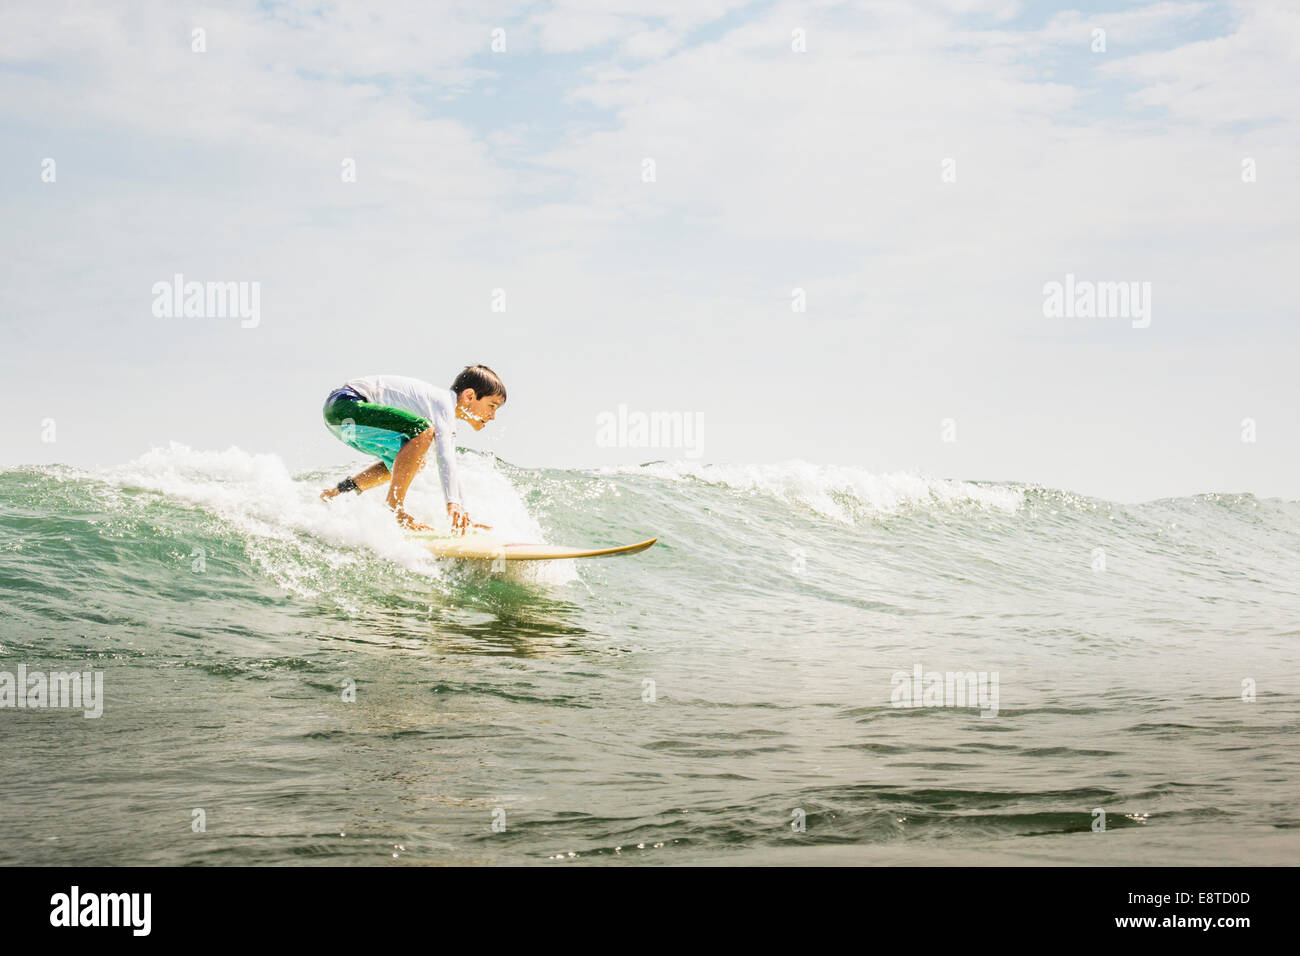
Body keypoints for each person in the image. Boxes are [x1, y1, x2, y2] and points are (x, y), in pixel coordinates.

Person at [319, 365, 506, 532]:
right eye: (491, 406)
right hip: (346, 407)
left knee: (412, 462)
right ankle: (395, 508)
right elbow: (445, 457)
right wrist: (452, 504)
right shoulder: (443, 405)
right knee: (423, 431)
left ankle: (338, 493)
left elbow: (452, 467)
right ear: (469, 396)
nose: (492, 416)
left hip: (342, 423)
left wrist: (464, 513)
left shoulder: (440, 410)